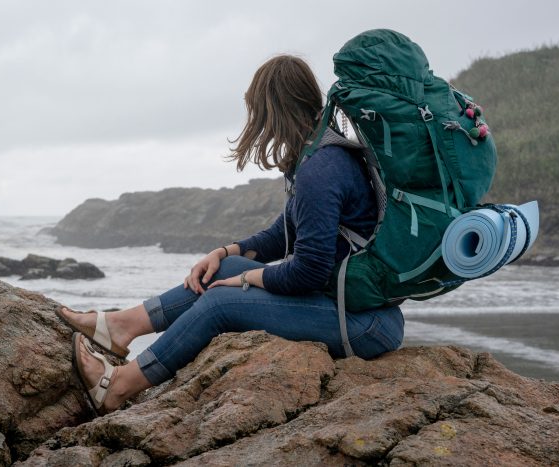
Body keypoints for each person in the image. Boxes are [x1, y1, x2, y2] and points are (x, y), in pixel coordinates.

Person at [56, 55, 404, 415]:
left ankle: (119, 386)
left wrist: (246, 278)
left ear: (274, 109)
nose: (253, 121)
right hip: (351, 304)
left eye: (256, 110)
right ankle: (120, 327)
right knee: (221, 272)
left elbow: (309, 271)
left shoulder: (321, 170)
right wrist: (224, 253)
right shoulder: (316, 155)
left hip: (363, 323)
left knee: (221, 303)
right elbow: (280, 236)